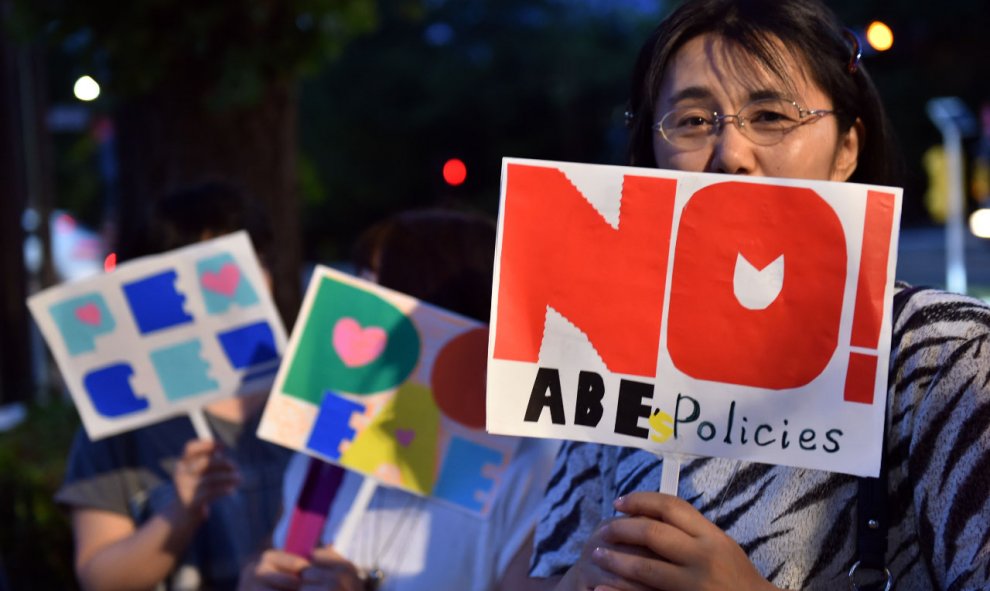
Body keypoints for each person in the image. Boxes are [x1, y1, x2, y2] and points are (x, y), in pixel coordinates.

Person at [526, 1, 990, 590]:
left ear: (847, 148)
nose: (731, 155)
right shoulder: (613, 352)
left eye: (770, 115)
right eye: (692, 121)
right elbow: (547, 568)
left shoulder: (947, 354)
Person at [238, 209, 559, 591]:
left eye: (377, 288)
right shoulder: (327, 441)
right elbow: (277, 542)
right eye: (357, 283)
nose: (353, 304)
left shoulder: (530, 464)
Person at [56, 179, 293, 591]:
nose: (225, 288)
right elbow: (99, 577)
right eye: (198, 269)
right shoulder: (122, 420)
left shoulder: (313, 396)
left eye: (246, 263)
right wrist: (180, 513)